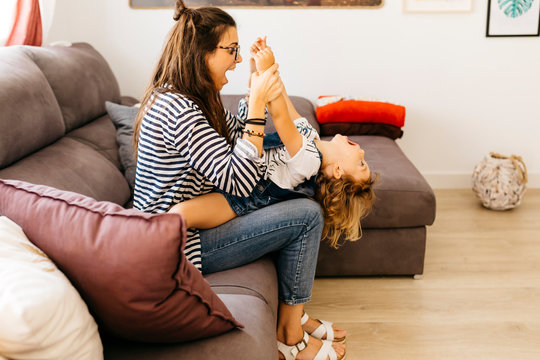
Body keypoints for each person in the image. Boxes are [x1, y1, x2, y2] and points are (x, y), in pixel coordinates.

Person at [132, 1, 346, 359]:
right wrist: (259, 103)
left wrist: (254, 90)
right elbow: (239, 180)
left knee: (295, 200)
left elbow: (238, 135)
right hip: (180, 244)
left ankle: (294, 319)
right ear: (201, 53)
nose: (234, 60)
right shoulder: (179, 110)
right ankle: (289, 338)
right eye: (230, 51)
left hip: (192, 223)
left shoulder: (193, 98)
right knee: (308, 215)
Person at [169, 38, 377, 250]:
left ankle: (151, 250)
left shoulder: (310, 163)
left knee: (180, 214)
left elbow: (280, 116)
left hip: (241, 197)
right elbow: (283, 98)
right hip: (238, 159)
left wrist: (267, 67)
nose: (362, 151)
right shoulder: (310, 134)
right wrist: (260, 71)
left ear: (339, 171)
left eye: (361, 163)